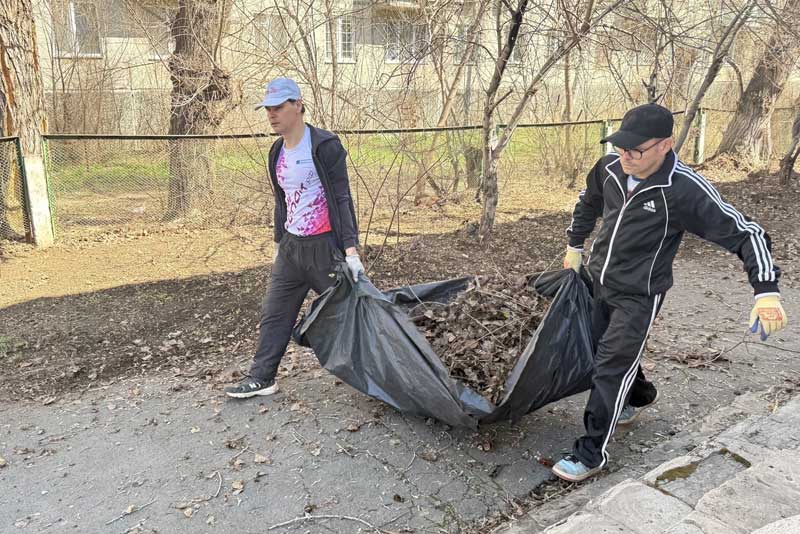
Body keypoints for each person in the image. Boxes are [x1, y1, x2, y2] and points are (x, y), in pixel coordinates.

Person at [552, 103, 789, 482]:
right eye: (620, 147)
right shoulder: (610, 168)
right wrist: (575, 246)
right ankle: (640, 396)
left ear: (665, 145)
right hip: (598, 281)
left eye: (635, 149)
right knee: (604, 349)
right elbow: (589, 202)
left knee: (610, 366)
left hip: (640, 294)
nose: (625, 156)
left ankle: (591, 453)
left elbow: (747, 234)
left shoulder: (682, 190)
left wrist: (766, 292)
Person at [225, 78, 363, 399]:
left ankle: (380, 373)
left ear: (298, 104)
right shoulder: (277, 151)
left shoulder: (325, 146)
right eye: (268, 109)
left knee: (349, 313)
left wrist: (351, 252)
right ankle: (262, 378)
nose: (272, 115)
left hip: (324, 250)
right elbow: (282, 201)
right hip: (291, 249)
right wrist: (278, 244)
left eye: (278, 107)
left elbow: (342, 199)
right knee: (275, 313)